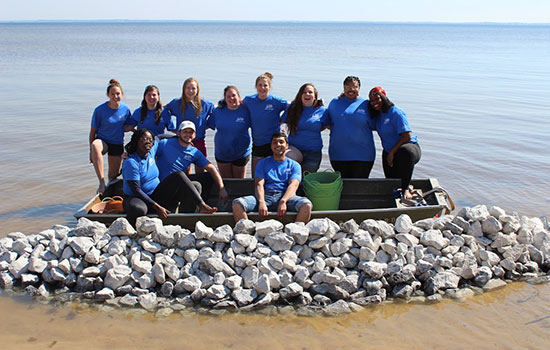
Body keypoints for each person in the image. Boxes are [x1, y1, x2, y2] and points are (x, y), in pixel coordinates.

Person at [121, 129, 216, 227]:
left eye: (150, 140)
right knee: (139, 209)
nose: (148, 142)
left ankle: (200, 206)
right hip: (137, 197)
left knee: (180, 176)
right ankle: (130, 229)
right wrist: (157, 206)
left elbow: (160, 136)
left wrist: (178, 138)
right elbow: (136, 190)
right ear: (136, 140)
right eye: (145, 139)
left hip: (155, 194)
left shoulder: (151, 152)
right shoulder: (131, 162)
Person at [232, 132, 312, 223]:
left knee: (306, 205)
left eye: (281, 142)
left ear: (287, 146)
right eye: (275, 142)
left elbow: (294, 185)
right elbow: (259, 184)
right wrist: (261, 202)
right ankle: (246, 231)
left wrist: (283, 201)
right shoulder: (262, 163)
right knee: (237, 203)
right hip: (265, 196)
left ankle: (296, 231)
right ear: (271, 146)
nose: (278, 145)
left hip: (287, 197)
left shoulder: (295, 165)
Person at [155, 120, 229, 206]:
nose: (188, 135)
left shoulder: (194, 152)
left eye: (191, 132)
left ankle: (202, 205)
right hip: (164, 185)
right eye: (185, 132)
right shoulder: (165, 144)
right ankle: (192, 209)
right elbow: (154, 143)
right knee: (193, 183)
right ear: (179, 133)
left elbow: (211, 167)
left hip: (180, 184)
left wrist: (221, 188)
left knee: (208, 176)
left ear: (194, 135)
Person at [368, 86, 421, 200]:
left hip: (408, 149)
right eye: (371, 100)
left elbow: (407, 136)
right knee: (391, 181)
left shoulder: (396, 112)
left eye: (377, 99)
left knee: (405, 152)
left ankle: (406, 188)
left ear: (384, 97)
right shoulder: (377, 115)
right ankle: (396, 195)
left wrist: (392, 153)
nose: (374, 103)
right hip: (389, 150)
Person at [325, 76, 375, 178]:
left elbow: (377, 124)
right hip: (338, 154)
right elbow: (326, 122)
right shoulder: (335, 102)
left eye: (354, 87)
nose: (351, 90)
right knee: (343, 187)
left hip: (363, 156)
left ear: (359, 88)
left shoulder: (366, 104)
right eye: (347, 87)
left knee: (359, 187)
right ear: (343, 88)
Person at [89, 78, 132, 195]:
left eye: (117, 94)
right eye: (112, 94)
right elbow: (92, 131)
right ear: (108, 95)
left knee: (113, 176)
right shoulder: (99, 110)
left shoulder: (125, 109)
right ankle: (101, 182)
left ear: (122, 94)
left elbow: (128, 126)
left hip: (117, 143)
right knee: (95, 145)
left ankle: (109, 192)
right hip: (103, 141)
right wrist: (91, 151)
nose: (115, 96)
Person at [165, 78, 214, 172]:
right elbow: (163, 111)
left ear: (197, 90)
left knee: (200, 169)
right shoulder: (176, 103)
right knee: (184, 169)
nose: (190, 91)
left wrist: (203, 127)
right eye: (188, 88)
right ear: (184, 89)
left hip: (198, 140)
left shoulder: (205, 104)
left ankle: (198, 185)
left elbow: (215, 114)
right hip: (181, 141)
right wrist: (172, 127)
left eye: (193, 88)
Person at [243, 72, 288, 175]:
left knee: (275, 173)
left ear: (270, 87)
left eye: (265, 85)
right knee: (256, 175)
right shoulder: (249, 100)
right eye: (260, 85)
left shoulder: (277, 101)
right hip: (258, 142)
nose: (262, 88)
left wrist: (282, 120)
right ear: (256, 86)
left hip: (274, 143)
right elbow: (236, 105)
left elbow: (292, 106)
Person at [282, 83, 328, 173]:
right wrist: (281, 134)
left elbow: (326, 126)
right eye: (304, 92)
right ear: (300, 95)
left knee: (307, 180)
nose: (307, 94)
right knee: (289, 173)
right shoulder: (292, 108)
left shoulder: (322, 110)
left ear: (315, 96)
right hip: (295, 149)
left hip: (313, 151)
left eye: (310, 92)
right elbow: (280, 122)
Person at [208, 85, 252, 178]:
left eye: (234, 95)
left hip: (241, 153)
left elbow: (259, 125)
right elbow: (206, 125)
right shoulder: (218, 111)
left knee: (238, 184)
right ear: (225, 98)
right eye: (228, 96)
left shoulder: (246, 111)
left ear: (239, 97)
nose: (231, 98)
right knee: (226, 182)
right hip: (222, 153)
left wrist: (279, 128)